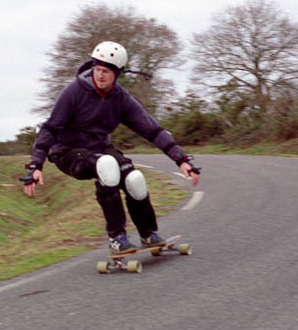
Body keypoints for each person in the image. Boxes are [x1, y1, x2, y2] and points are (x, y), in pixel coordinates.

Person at [22, 41, 201, 255]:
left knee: (135, 179)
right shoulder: (74, 91)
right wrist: (36, 164)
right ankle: (117, 238)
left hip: (98, 148)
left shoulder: (121, 99)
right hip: (67, 152)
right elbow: (50, 129)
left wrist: (181, 159)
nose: (100, 75)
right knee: (107, 166)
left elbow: (152, 130)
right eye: (97, 69)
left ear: (117, 74)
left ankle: (148, 234)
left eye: (106, 71)